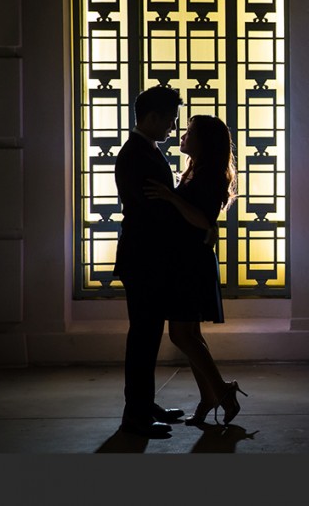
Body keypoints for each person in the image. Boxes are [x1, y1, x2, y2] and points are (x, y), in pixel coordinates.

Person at [144, 114, 247, 426]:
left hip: (190, 262)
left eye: (189, 132)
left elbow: (204, 220)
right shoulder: (196, 171)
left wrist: (170, 196)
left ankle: (222, 392)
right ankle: (210, 396)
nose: (182, 136)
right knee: (189, 333)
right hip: (185, 259)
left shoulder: (209, 176)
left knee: (180, 333)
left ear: (204, 142)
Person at [113, 85, 186, 438]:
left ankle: (144, 405)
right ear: (153, 117)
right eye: (170, 120)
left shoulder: (143, 150)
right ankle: (136, 417)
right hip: (144, 258)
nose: (173, 127)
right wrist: (176, 202)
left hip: (146, 257)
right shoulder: (136, 155)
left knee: (147, 336)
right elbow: (153, 210)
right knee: (143, 337)